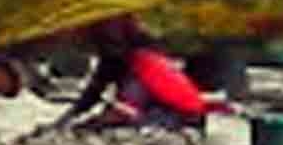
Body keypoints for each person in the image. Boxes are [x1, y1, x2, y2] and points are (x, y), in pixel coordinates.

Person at [56, 19, 216, 134]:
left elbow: (121, 114)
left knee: (115, 129)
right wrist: (64, 121)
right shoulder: (126, 60)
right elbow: (93, 93)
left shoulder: (141, 67)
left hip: (179, 121)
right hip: (183, 118)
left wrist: (81, 128)